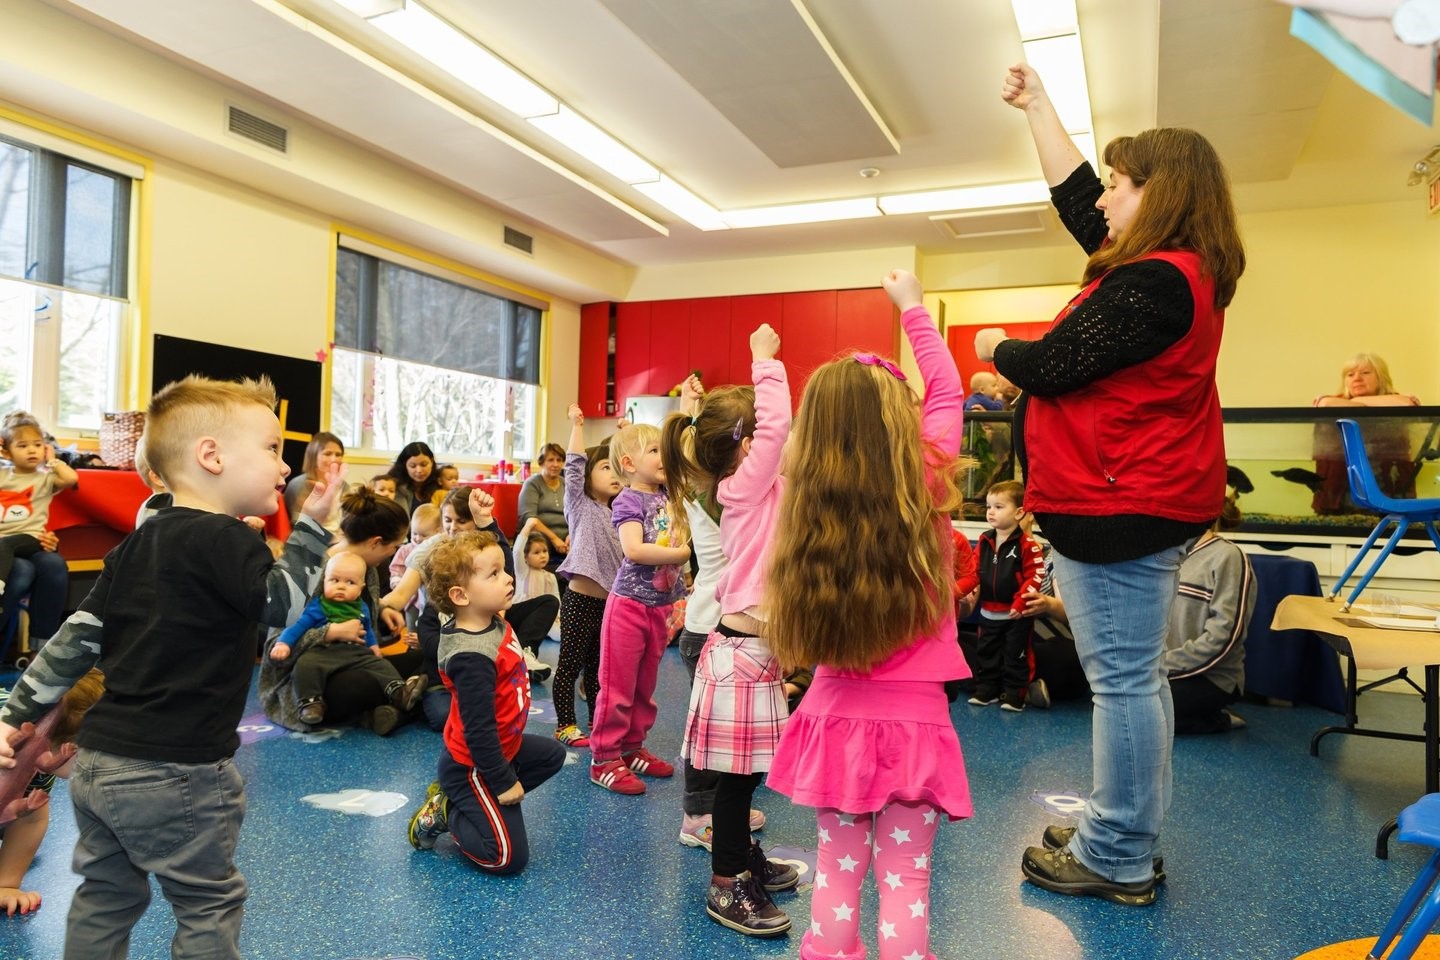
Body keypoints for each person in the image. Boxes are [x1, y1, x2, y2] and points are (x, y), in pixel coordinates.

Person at [976, 62, 1245, 906]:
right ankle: (1116, 821)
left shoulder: (1158, 280)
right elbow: (1075, 193)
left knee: (1125, 683)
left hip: (1120, 506)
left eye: (1123, 185)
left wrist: (994, 348)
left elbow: (1050, 364)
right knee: (1134, 679)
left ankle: (1118, 851)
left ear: (1159, 196)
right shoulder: (1170, 269)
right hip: (1129, 500)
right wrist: (1038, 107)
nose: (1105, 198)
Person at [0, 374, 340, 958]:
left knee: (105, 895)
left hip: (100, 764)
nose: (284, 469)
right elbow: (281, 605)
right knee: (208, 901)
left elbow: (74, 639)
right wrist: (313, 527)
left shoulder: (135, 545)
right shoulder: (227, 540)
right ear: (211, 456)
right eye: (272, 449)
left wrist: (15, 713)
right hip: (177, 770)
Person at [766, 269, 971, 960]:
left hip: (834, 716)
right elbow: (947, 389)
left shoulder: (806, 504)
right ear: (898, 421)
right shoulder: (929, 480)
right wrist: (913, 307)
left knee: (837, 871)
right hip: (917, 720)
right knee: (907, 877)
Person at [662, 333, 799, 936]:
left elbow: (781, 442)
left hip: (754, 654)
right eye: (771, 439)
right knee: (736, 784)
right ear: (748, 446)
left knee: (750, 777)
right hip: (739, 656)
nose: (786, 443)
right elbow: (776, 430)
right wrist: (765, 361)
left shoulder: (768, 488)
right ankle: (726, 886)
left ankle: (743, 859)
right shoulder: (739, 488)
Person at [405, 531, 566, 872]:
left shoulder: (490, 617)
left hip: (503, 746)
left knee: (552, 755)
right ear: (461, 596)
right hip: (474, 764)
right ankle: (448, 811)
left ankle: (479, 804)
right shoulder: (471, 657)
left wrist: (487, 523)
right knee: (507, 857)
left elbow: (499, 561)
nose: (508, 577)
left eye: (503, 570)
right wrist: (503, 782)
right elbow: (478, 733)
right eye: (494, 574)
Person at [259, 488, 418, 736]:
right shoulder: (310, 571)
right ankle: (401, 708)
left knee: (425, 657)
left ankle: (392, 711)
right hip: (306, 680)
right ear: (376, 542)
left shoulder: (368, 569)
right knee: (362, 684)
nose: (394, 553)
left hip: (352, 658)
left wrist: (381, 608)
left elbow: (353, 608)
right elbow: (273, 653)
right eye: (395, 546)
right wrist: (329, 632)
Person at [588, 421, 690, 795]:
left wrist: (691, 406)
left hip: (659, 607)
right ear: (629, 463)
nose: (665, 457)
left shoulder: (668, 493)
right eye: (655, 451)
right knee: (618, 687)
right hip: (628, 606)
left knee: (645, 687)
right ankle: (604, 758)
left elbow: (685, 448)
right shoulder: (629, 500)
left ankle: (631, 748)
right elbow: (633, 549)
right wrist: (680, 554)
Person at [267, 551, 426, 725]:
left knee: (381, 665)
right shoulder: (318, 606)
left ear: (361, 588)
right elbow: (297, 627)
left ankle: (398, 692)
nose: (341, 586)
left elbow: (367, 630)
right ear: (324, 581)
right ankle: (310, 703)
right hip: (324, 653)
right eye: (334, 580)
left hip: (356, 653)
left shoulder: (361, 607)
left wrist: (374, 647)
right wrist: (284, 643)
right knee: (305, 664)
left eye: (350, 583)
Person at [0, 669, 104, 917]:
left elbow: (32, 818)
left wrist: (6, 884)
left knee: (27, 807)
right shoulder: (11, 743)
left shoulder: (44, 760)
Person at [551, 406, 625, 748]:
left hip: (609, 604)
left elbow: (633, 468)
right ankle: (566, 724)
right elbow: (574, 468)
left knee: (597, 670)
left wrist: (625, 437)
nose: (613, 474)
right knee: (569, 663)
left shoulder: (622, 512)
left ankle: (597, 722)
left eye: (616, 468)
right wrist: (577, 426)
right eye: (605, 467)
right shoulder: (580, 506)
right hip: (580, 599)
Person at [1164, 527, 1254, 734]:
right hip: (1164, 669)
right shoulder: (1165, 553)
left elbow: (1225, 636)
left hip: (1212, 677)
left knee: (1153, 711)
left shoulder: (1228, 557)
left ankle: (1220, 720)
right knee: (1128, 707)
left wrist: (1164, 664)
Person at [1310, 353, 1420, 515]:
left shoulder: (1394, 399)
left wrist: (1356, 402)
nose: (1357, 378)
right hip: (1338, 494)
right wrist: (1359, 403)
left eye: (1365, 373)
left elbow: (1406, 404)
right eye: (1350, 374)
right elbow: (1325, 403)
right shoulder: (1335, 400)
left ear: (1380, 377)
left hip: (1390, 490)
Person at [969, 480, 1044, 712]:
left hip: (1015, 615)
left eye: (999, 507)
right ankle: (987, 689)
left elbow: (1036, 576)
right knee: (986, 652)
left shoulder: (1028, 545)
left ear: (1020, 512)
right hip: (987, 612)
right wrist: (964, 589)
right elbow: (973, 571)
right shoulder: (984, 541)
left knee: (1016, 656)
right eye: (989, 507)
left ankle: (1015, 694)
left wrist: (1021, 601)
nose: (991, 512)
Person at [0, 412, 78, 601]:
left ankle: (42, 632)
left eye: (37, 445)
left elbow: (71, 478)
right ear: (7, 452)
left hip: (30, 539)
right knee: (21, 570)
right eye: (23, 446)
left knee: (53, 564)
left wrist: (52, 460)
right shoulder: (2, 475)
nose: (32, 450)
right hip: (3, 544)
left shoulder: (45, 478)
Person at [512, 518, 562, 679]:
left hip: (544, 620)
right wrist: (527, 528)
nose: (542, 556)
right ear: (526, 557)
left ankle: (528, 656)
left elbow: (556, 599)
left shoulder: (550, 577)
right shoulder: (522, 571)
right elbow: (517, 551)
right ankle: (524, 653)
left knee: (561, 633)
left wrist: (559, 617)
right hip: (523, 617)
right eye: (536, 552)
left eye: (544, 551)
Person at [518, 442, 570, 579]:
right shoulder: (532, 484)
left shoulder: (566, 484)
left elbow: (576, 514)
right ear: (541, 462)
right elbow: (528, 518)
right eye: (550, 460)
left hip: (565, 539)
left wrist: (571, 536)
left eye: (559, 460)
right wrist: (554, 539)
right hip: (541, 536)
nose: (556, 464)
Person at [390, 503, 442, 629]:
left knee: (430, 627)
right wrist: (396, 580)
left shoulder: (440, 550)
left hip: (431, 601)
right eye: (414, 533)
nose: (418, 538)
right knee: (412, 627)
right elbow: (396, 567)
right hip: (411, 601)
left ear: (438, 532)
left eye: (424, 535)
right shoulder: (406, 550)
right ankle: (412, 647)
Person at [283, 431, 347, 532]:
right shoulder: (297, 485)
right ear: (313, 456)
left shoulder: (344, 486)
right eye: (327, 454)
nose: (334, 459)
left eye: (338, 454)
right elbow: (294, 525)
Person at [385, 440, 439, 515]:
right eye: (412, 466)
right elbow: (402, 522)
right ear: (405, 466)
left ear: (432, 462)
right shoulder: (395, 487)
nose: (419, 470)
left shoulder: (441, 482)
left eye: (424, 465)